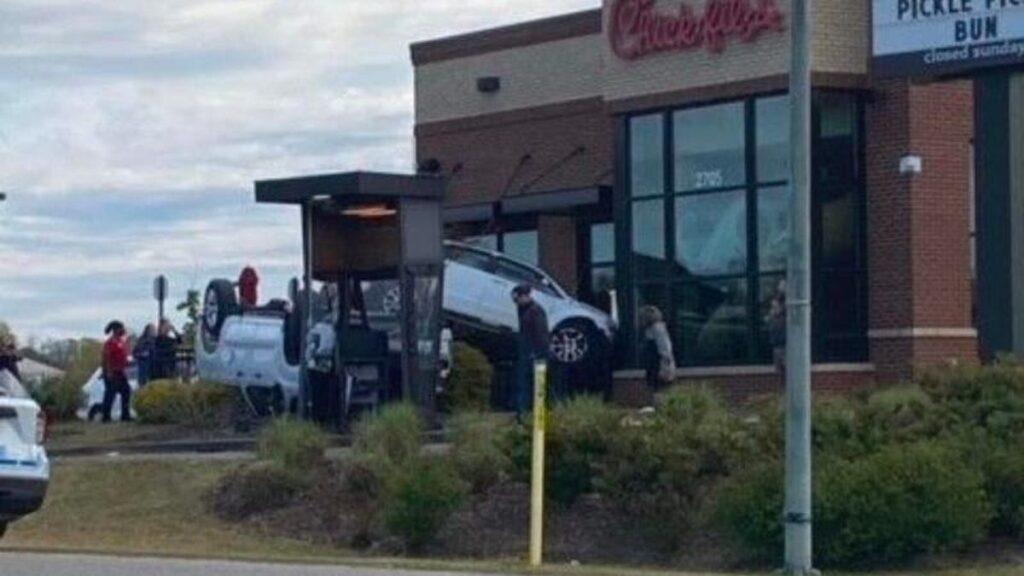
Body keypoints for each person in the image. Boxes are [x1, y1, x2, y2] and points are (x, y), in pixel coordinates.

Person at [511, 284, 549, 419]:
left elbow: (541, 334)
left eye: (517, 299)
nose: (515, 303)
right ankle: (522, 414)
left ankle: (529, 414)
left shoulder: (536, 311)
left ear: (524, 296)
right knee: (523, 384)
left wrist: (538, 352)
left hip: (534, 353)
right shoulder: (523, 309)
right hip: (526, 351)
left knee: (530, 385)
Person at [640, 306, 675, 398]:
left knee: (660, 390)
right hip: (652, 364)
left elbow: (665, 349)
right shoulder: (649, 330)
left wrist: (664, 368)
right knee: (654, 390)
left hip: (659, 365)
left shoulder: (658, 329)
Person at [101, 320, 132, 423]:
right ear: (116, 330)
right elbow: (106, 357)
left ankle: (125, 415)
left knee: (126, 391)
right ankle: (105, 417)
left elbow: (124, 355)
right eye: (121, 328)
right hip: (111, 371)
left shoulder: (121, 341)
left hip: (120, 371)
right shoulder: (110, 343)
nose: (123, 330)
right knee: (110, 394)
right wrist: (108, 371)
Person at [768, 279, 787, 376]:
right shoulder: (776, 304)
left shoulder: (786, 307)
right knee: (779, 372)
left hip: (785, 344)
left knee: (788, 370)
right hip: (776, 344)